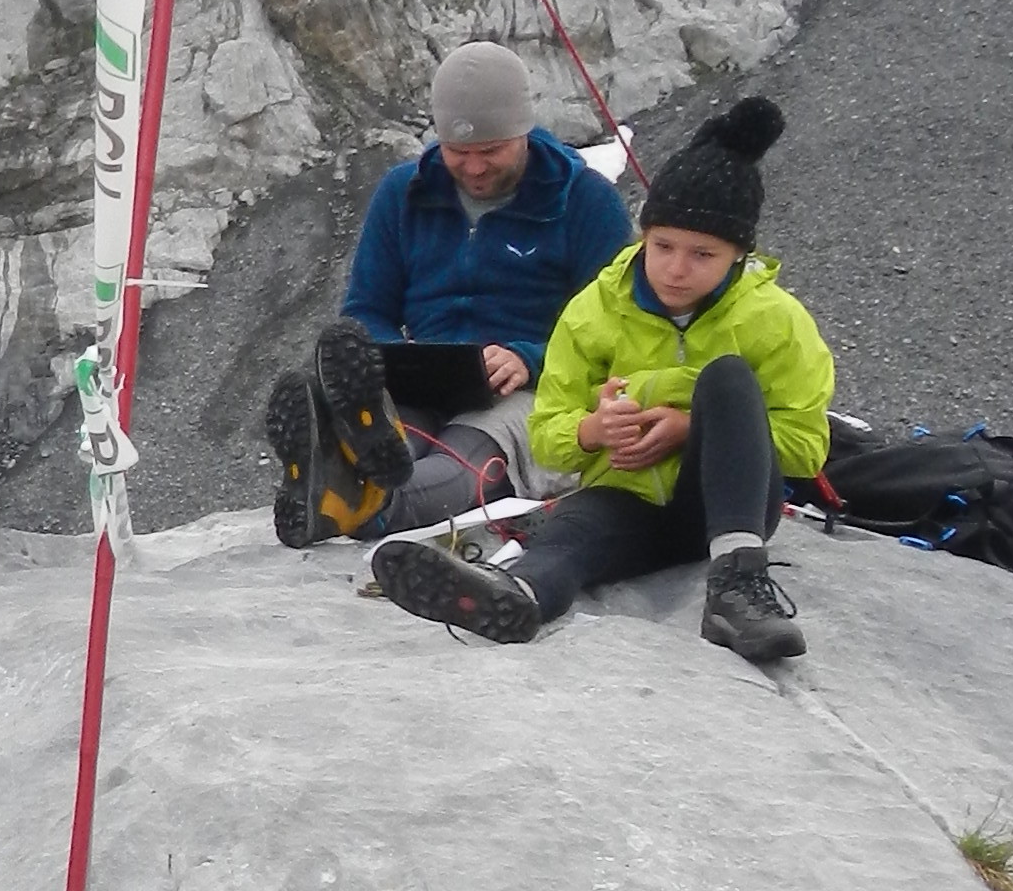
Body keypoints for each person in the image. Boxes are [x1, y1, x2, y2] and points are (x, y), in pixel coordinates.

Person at [370, 93, 830, 665]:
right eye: (662, 246)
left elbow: (807, 447)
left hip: (728, 507)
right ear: (643, 235)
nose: (676, 269)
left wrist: (692, 428)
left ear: (738, 257)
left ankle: (737, 587)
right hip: (625, 497)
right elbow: (547, 434)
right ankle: (513, 595)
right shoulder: (595, 309)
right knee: (570, 533)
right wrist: (594, 431)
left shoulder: (776, 320)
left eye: (702, 254)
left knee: (728, 379)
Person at [265, 35, 631, 545]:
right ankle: (343, 469)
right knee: (396, 439)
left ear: (524, 131)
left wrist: (528, 357)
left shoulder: (587, 202)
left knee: (462, 457)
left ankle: (361, 501)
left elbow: (616, 331)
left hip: (535, 388)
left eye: (491, 151)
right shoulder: (402, 193)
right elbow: (366, 309)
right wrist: (396, 359)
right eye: (457, 152)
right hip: (425, 382)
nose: (474, 168)